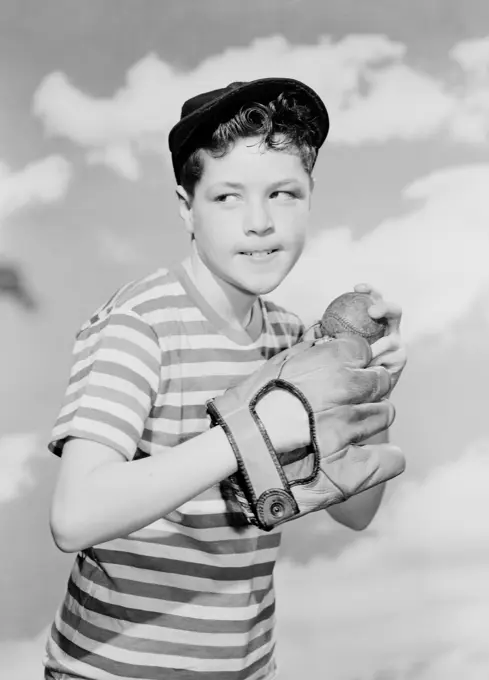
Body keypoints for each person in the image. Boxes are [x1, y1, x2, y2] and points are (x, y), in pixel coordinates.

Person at [44, 78, 407, 680]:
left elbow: (356, 510)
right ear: (186, 207)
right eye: (227, 197)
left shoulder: (294, 340)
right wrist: (252, 431)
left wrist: (372, 381)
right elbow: (74, 515)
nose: (260, 222)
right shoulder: (141, 326)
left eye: (284, 193)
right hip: (111, 670)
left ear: (311, 197)